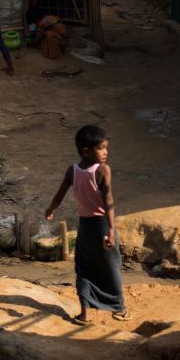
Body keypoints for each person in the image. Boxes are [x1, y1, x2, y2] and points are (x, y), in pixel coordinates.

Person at [45, 124, 130, 324]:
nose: (106, 153)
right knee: (111, 265)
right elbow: (108, 201)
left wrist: (51, 209)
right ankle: (119, 308)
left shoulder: (72, 171)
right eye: (101, 148)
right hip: (101, 225)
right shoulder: (102, 171)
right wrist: (110, 229)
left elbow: (59, 195)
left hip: (85, 227)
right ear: (86, 150)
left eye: (106, 148)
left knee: (84, 267)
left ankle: (84, 313)